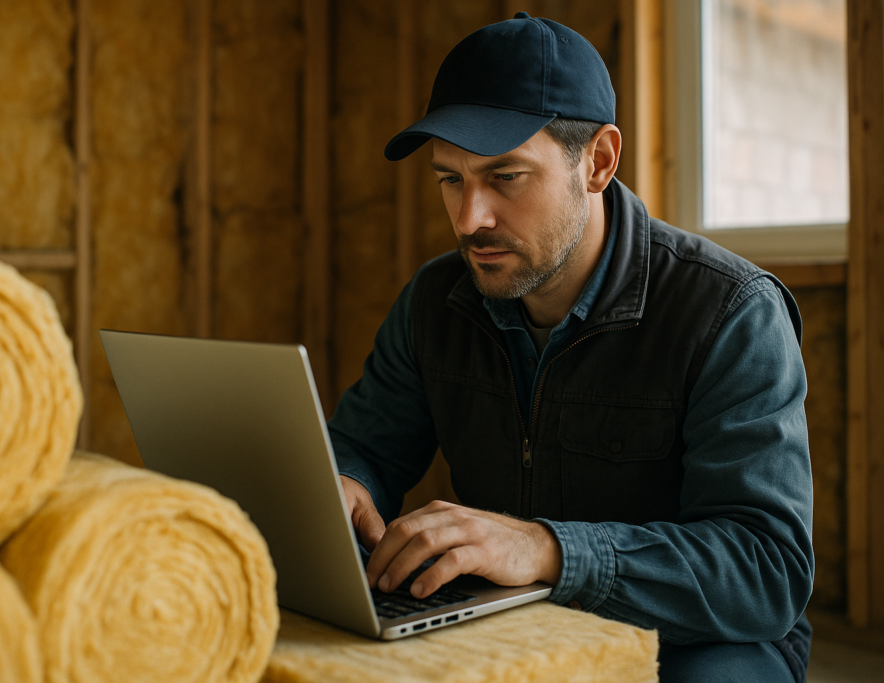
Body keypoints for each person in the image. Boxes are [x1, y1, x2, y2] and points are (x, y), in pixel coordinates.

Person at [326, 12, 814, 683]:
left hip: (700, 639)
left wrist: (548, 549)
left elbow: (766, 572)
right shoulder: (434, 303)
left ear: (599, 161)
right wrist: (346, 480)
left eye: (507, 177)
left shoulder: (730, 311)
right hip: (511, 619)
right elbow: (368, 445)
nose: (470, 219)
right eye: (450, 179)